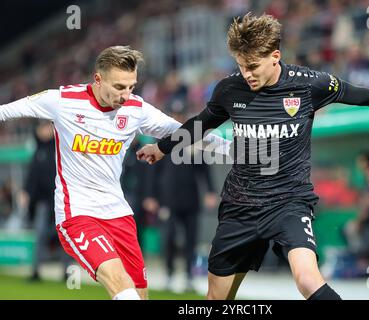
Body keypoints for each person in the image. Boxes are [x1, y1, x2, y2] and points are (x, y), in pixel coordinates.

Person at [136, 13, 369, 300]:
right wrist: (161, 148)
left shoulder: (310, 84)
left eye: (253, 66)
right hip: (239, 207)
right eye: (241, 66)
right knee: (217, 298)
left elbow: (359, 93)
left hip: (289, 202)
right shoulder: (229, 90)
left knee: (308, 280)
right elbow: (200, 124)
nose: (247, 74)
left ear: (275, 56)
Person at [0, 45, 228, 300]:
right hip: (78, 214)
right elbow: (6, 111)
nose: (126, 95)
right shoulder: (62, 101)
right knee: (119, 280)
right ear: (98, 79)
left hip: (118, 213)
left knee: (140, 293)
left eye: (132, 86)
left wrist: (230, 148)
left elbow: (184, 132)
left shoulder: (136, 109)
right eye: (119, 87)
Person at [144, 106, 218, 292]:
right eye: (175, 114)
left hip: (190, 198)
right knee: (168, 238)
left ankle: (188, 276)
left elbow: (204, 169)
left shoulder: (193, 140)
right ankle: (169, 274)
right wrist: (151, 196)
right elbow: (153, 171)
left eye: (180, 115)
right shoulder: (162, 141)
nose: (178, 118)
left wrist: (210, 191)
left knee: (191, 240)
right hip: (168, 200)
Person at [18, 120, 71, 281]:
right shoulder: (38, 150)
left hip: (60, 201)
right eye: (42, 127)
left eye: (47, 127)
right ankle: (35, 270)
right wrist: (25, 192)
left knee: (66, 236)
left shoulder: (61, 148)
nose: (44, 131)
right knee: (40, 235)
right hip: (42, 202)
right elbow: (32, 177)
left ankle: (68, 272)